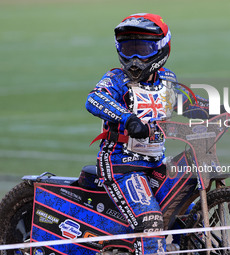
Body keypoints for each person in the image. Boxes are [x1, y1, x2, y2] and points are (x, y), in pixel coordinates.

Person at [86, 13, 209, 255]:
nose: (134, 58)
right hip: (121, 165)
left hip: (155, 164)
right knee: (151, 222)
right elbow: (94, 98)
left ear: (162, 49)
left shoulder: (167, 80)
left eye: (142, 49)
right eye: (127, 48)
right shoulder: (116, 79)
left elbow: (186, 103)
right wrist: (127, 118)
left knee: (188, 212)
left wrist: (222, 110)